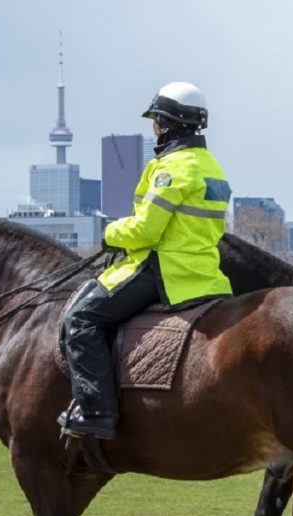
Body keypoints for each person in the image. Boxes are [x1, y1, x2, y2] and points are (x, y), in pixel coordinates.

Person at [58, 81, 233, 440]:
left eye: (156, 121)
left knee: (82, 318)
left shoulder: (172, 168)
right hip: (205, 273)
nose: (153, 128)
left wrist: (109, 233)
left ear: (169, 124)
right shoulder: (211, 166)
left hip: (163, 269)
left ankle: (97, 411)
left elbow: (147, 230)